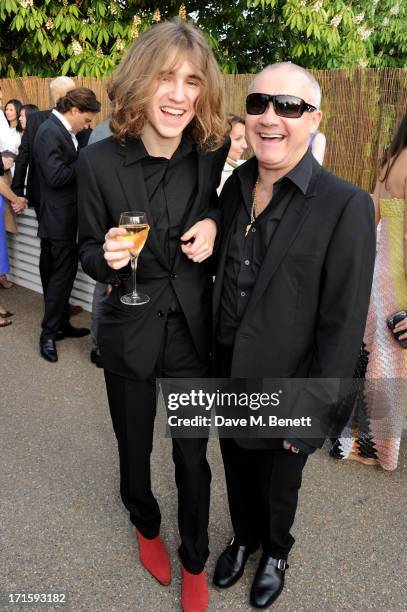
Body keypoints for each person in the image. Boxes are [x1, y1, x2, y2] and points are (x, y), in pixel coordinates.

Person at [211, 62, 375, 609]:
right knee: (236, 467)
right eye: (259, 104)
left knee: (280, 481)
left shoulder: (344, 204)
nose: (270, 117)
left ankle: (276, 549)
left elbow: (343, 322)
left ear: (314, 120)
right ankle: (244, 537)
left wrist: (314, 413)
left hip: (291, 381)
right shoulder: (235, 186)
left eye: (289, 106)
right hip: (228, 370)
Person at [77, 19, 227, 612]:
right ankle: (144, 521)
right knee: (133, 446)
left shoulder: (209, 151)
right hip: (129, 325)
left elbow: (220, 202)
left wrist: (213, 221)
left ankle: (193, 555)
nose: (179, 94)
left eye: (192, 80)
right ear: (141, 81)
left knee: (192, 451)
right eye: (166, 76)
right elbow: (85, 247)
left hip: (191, 327)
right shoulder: (99, 163)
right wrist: (108, 258)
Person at [331, 113, 407, 471]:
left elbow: (375, 213)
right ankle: (376, 446)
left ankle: (358, 433)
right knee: (390, 363)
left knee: (372, 355)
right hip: (402, 272)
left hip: (383, 265)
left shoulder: (393, 157)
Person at [34, 87, 100, 363]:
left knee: (57, 274)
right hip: (58, 218)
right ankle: (47, 335)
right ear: (74, 110)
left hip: (62, 217)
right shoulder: (50, 131)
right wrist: (86, 161)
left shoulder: (64, 132)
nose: (87, 125)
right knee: (60, 276)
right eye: (86, 120)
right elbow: (56, 176)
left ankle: (61, 325)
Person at [218, 114, 247, 193]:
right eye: (238, 139)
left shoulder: (240, 165)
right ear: (220, 140)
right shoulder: (221, 177)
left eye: (245, 138)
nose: (245, 146)